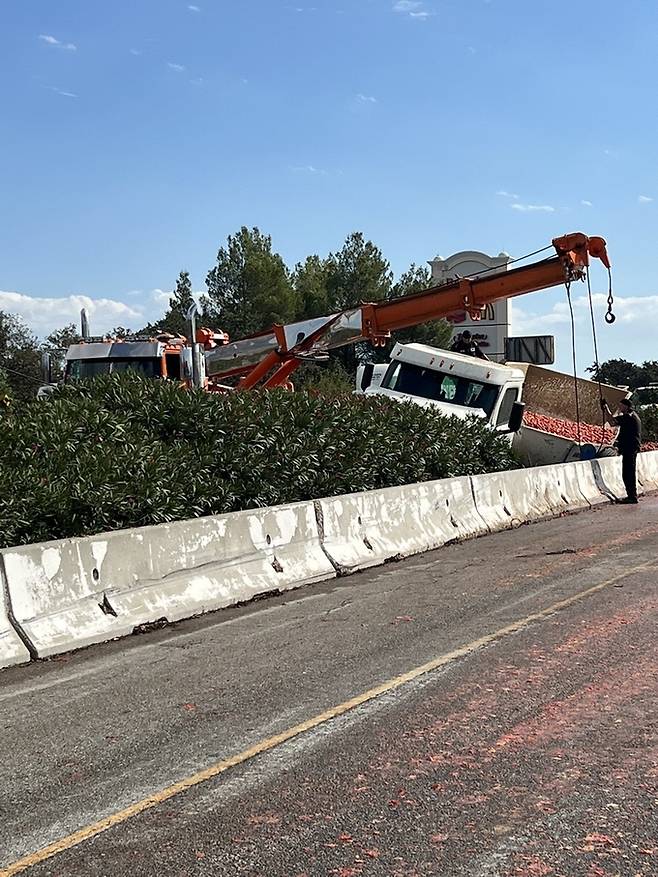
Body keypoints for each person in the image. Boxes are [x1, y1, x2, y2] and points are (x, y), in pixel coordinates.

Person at [601, 397, 642, 504]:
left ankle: (632, 497)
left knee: (628, 473)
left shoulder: (628, 417)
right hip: (631, 448)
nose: (619, 407)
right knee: (629, 472)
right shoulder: (632, 416)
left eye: (621, 406)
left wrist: (606, 408)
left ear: (626, 406)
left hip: (630, 448)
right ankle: (631, 495)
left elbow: (611, 422)